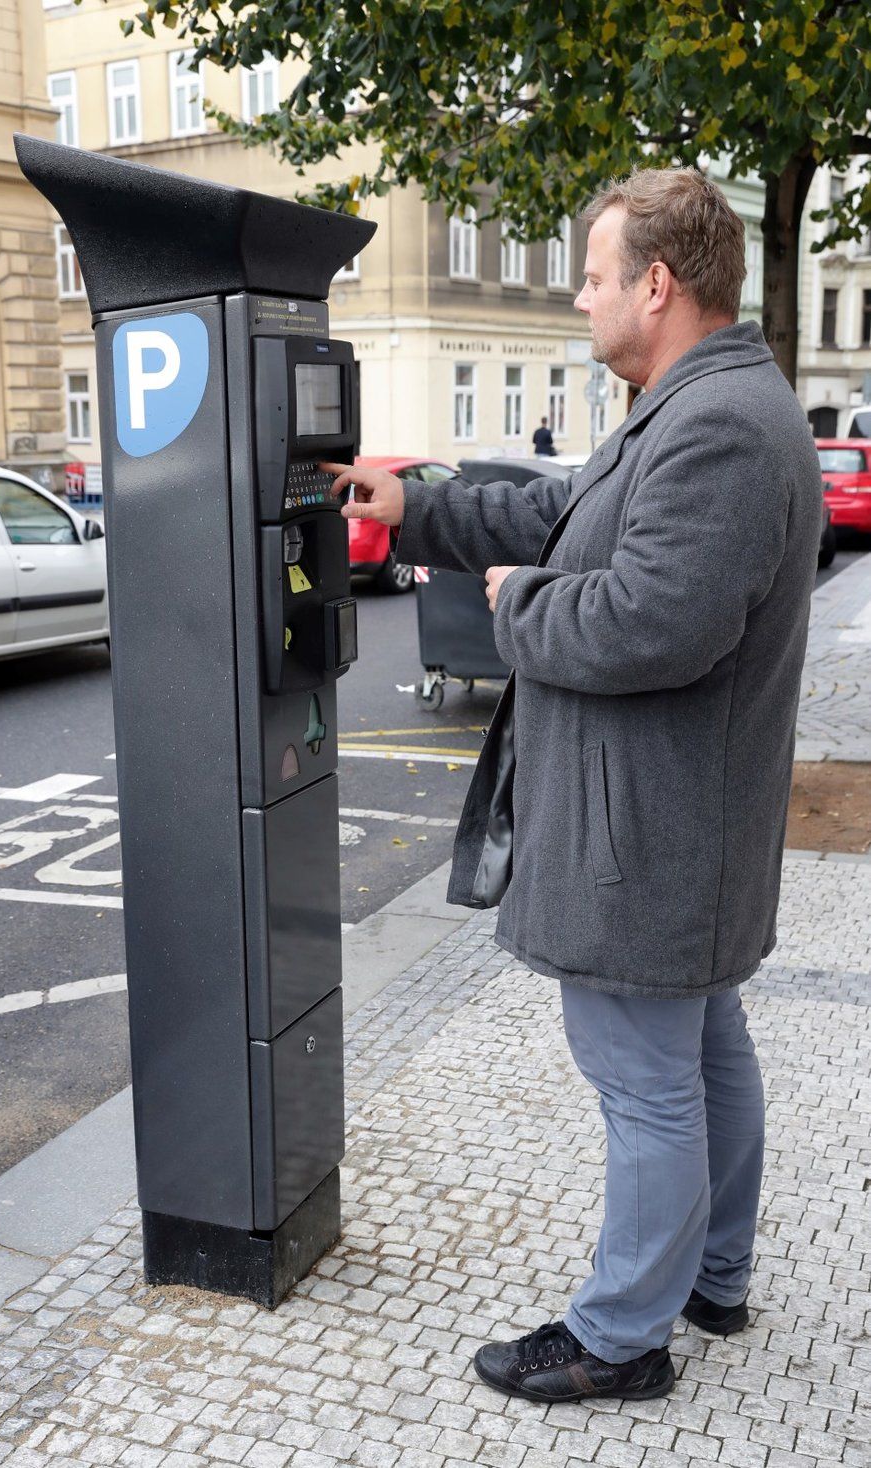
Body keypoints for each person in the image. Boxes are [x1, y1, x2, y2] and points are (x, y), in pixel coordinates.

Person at [322, 165, 822, 1405]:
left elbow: (650, 622)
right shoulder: (692, 403)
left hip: (648, 835)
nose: (583, 300)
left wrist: (517, 606)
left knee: (645, 1079)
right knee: (703, 1048)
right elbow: (564, 508)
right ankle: (715, 1270)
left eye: (595, 277)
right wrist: (422, 507)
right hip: (677, 824)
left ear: (658, 284)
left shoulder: (716, 426)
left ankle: (621, 1333)